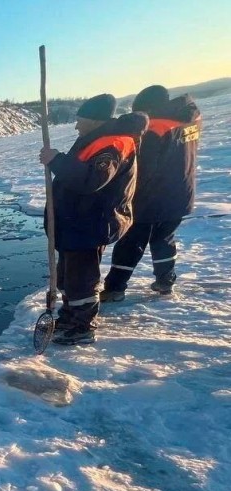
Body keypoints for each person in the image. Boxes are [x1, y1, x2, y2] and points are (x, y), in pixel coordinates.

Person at [39, 94, 148, 345]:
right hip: (76, 221)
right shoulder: (96, 139)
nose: (76, 125)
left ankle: (82, 327)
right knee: (68, 276)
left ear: (95, 120)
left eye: (80, 120)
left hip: (89, 223)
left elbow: (91, 180)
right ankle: (70, 316)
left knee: (81, 279)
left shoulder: (113, 145)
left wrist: (56, 160)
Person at [101, 85, 201, 300]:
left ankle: (115, 288)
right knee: (164, 237)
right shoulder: (189, 118)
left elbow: (144, 166)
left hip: (151, 196)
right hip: (181, 192)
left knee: (131, 240)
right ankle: (165, 280)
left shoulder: (154, 128)